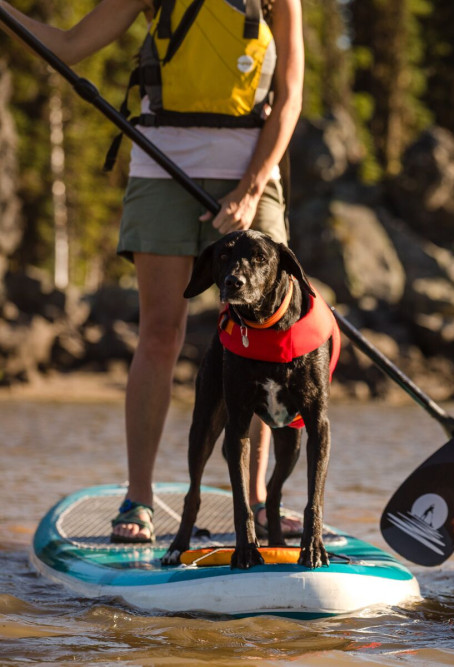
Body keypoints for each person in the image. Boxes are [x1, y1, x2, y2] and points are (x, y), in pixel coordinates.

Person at [1, 0, 305, 542]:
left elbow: (289, 96)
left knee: (264, 337)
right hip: (162, 166)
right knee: (161, 333)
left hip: (251, 173)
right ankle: (138, 500)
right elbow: (68, 46)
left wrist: (252, 187)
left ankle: (259, 501)